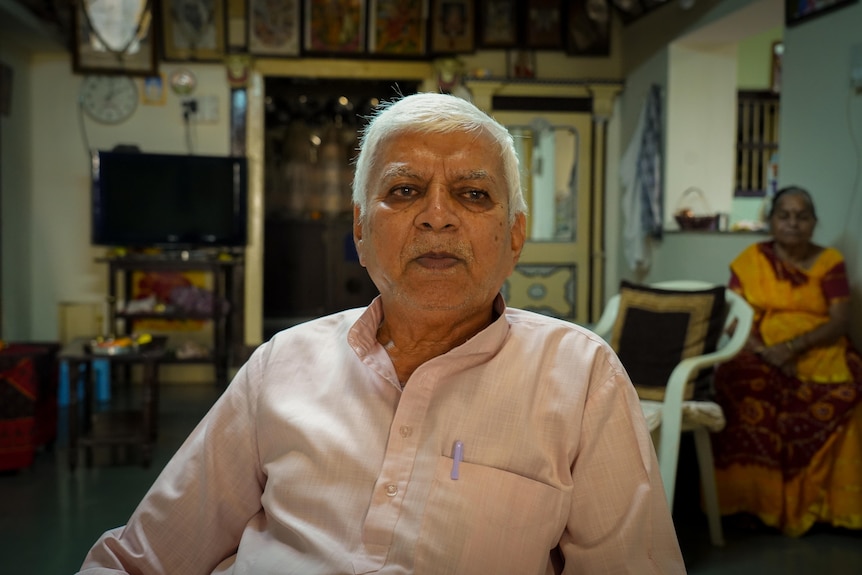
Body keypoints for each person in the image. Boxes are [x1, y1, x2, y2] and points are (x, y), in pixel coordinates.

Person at [77, 92, 685, 574]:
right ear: (361, 230)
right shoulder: (281, 364)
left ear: (515, 236)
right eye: (404, 190)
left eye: (473, 194)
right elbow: (145, 558)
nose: (438, 214)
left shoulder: (582, 379)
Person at [711, 186, 862, 537]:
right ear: (772, 221)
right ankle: (750, 504)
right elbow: (733, 317)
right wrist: (771, 354)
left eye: (802, 216)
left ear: (813, 223)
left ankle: (829, 510)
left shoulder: (830, 263)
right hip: (759, 348)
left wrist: (792, 347)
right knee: (741, 388)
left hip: (820, 351)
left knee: (850, 394)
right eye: (784, 215)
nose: (793, 223)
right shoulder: (751, 260)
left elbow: (840, 319)